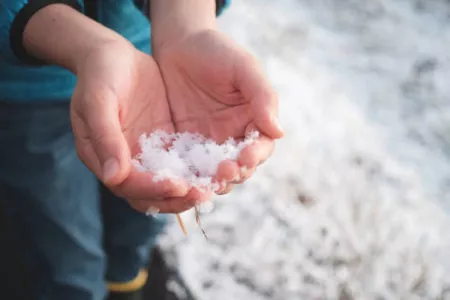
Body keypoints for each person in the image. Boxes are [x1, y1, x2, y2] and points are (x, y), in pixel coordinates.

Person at [0, 0, 284, 299]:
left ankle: (125, 283)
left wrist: (187, 26)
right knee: (62, 245)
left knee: (142, 221)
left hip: (151, 70)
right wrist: (85, 45)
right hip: (28, 92)